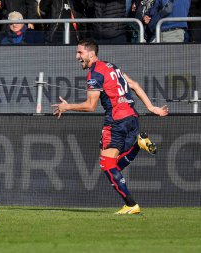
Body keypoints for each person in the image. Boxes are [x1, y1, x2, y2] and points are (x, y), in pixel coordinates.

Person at [52, 39, 169, 214]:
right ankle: (138, 144)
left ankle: (131, 205)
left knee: (107, 166)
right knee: (113, 168)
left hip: (116, 121)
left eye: (80, 53)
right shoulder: (111, 66)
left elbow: (90, 106)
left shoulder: (95, 73)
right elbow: (134, 85)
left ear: (91, 54)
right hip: (132, 118)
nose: (77, 56)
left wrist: (67, 106)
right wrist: (151, 108)